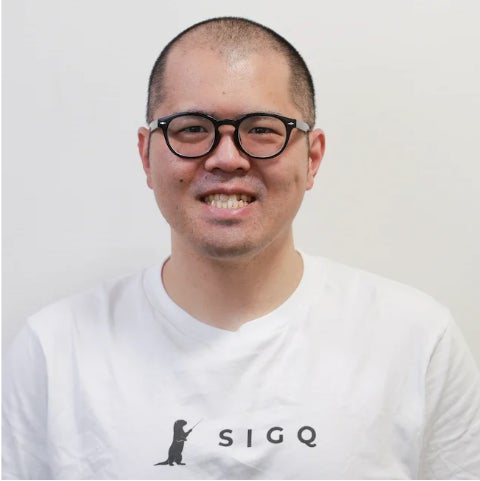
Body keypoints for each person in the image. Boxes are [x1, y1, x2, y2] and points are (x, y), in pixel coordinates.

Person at [3, 16, 480, 480]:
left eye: (262, 129)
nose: (227, 158)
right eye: (192, 128)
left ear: (312, 158)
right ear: (146, 155)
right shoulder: (54, 350)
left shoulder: (416, 341)